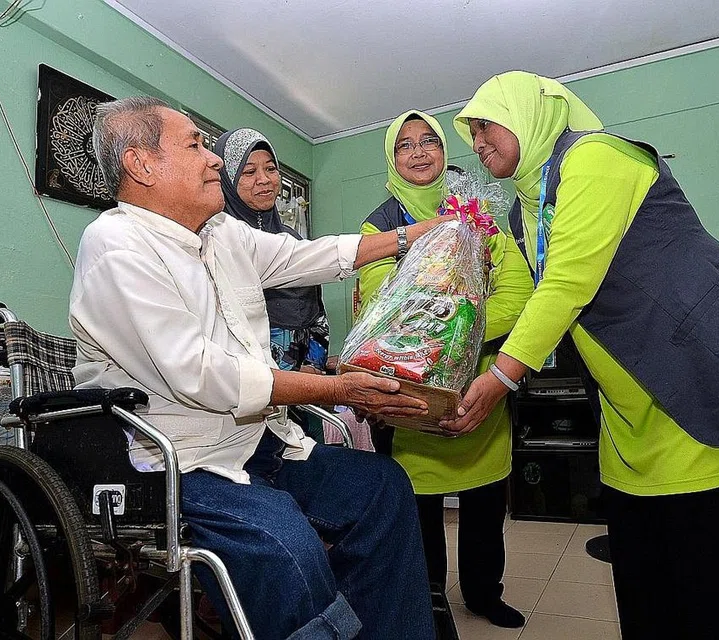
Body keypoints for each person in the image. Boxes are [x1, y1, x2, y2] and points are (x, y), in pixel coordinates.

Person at [441, 72, 719, 640]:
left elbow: (566, 284)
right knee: (644, 580)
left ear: (525, 114)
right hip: (627, 407)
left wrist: (500, 379)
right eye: (471, 132)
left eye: (485, 124)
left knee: (711, 579)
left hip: (690, 381)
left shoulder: (595, 159)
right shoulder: (523, 210)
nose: (478, 141)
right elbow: (531, 299)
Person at [73, 96, 451, 640]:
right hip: (179, 462)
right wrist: (336, 389)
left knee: (384, 489)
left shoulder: (221, 233)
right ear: (142, 165)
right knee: (286, 546)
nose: (214, 159)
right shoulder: (116, 246)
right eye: (195, 145)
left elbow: (306, 257)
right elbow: (203, 374)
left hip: (258, 441)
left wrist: (409, 236)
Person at [358, 110, 533, 629]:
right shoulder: (380, 226)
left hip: (480, 383)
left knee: (485, 504)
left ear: (443, 150)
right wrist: (459, 316)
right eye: (404, 144)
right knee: (418, 510)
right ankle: (428, 598)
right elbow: (383, 307)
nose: (418, 152)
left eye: (428, 141)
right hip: (411, 393)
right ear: (391, 158)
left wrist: (458, 331)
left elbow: (519, 292)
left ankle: (484, 593)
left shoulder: (478, 212)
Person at [214, 128, 329, 373]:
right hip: (248, 378)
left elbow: (318, 315)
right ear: (227, 180)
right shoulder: (217, 242)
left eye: (270, 168)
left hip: (307, 381)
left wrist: (313, 365)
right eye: (249, 172)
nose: (264, 179)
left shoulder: (291, 239)